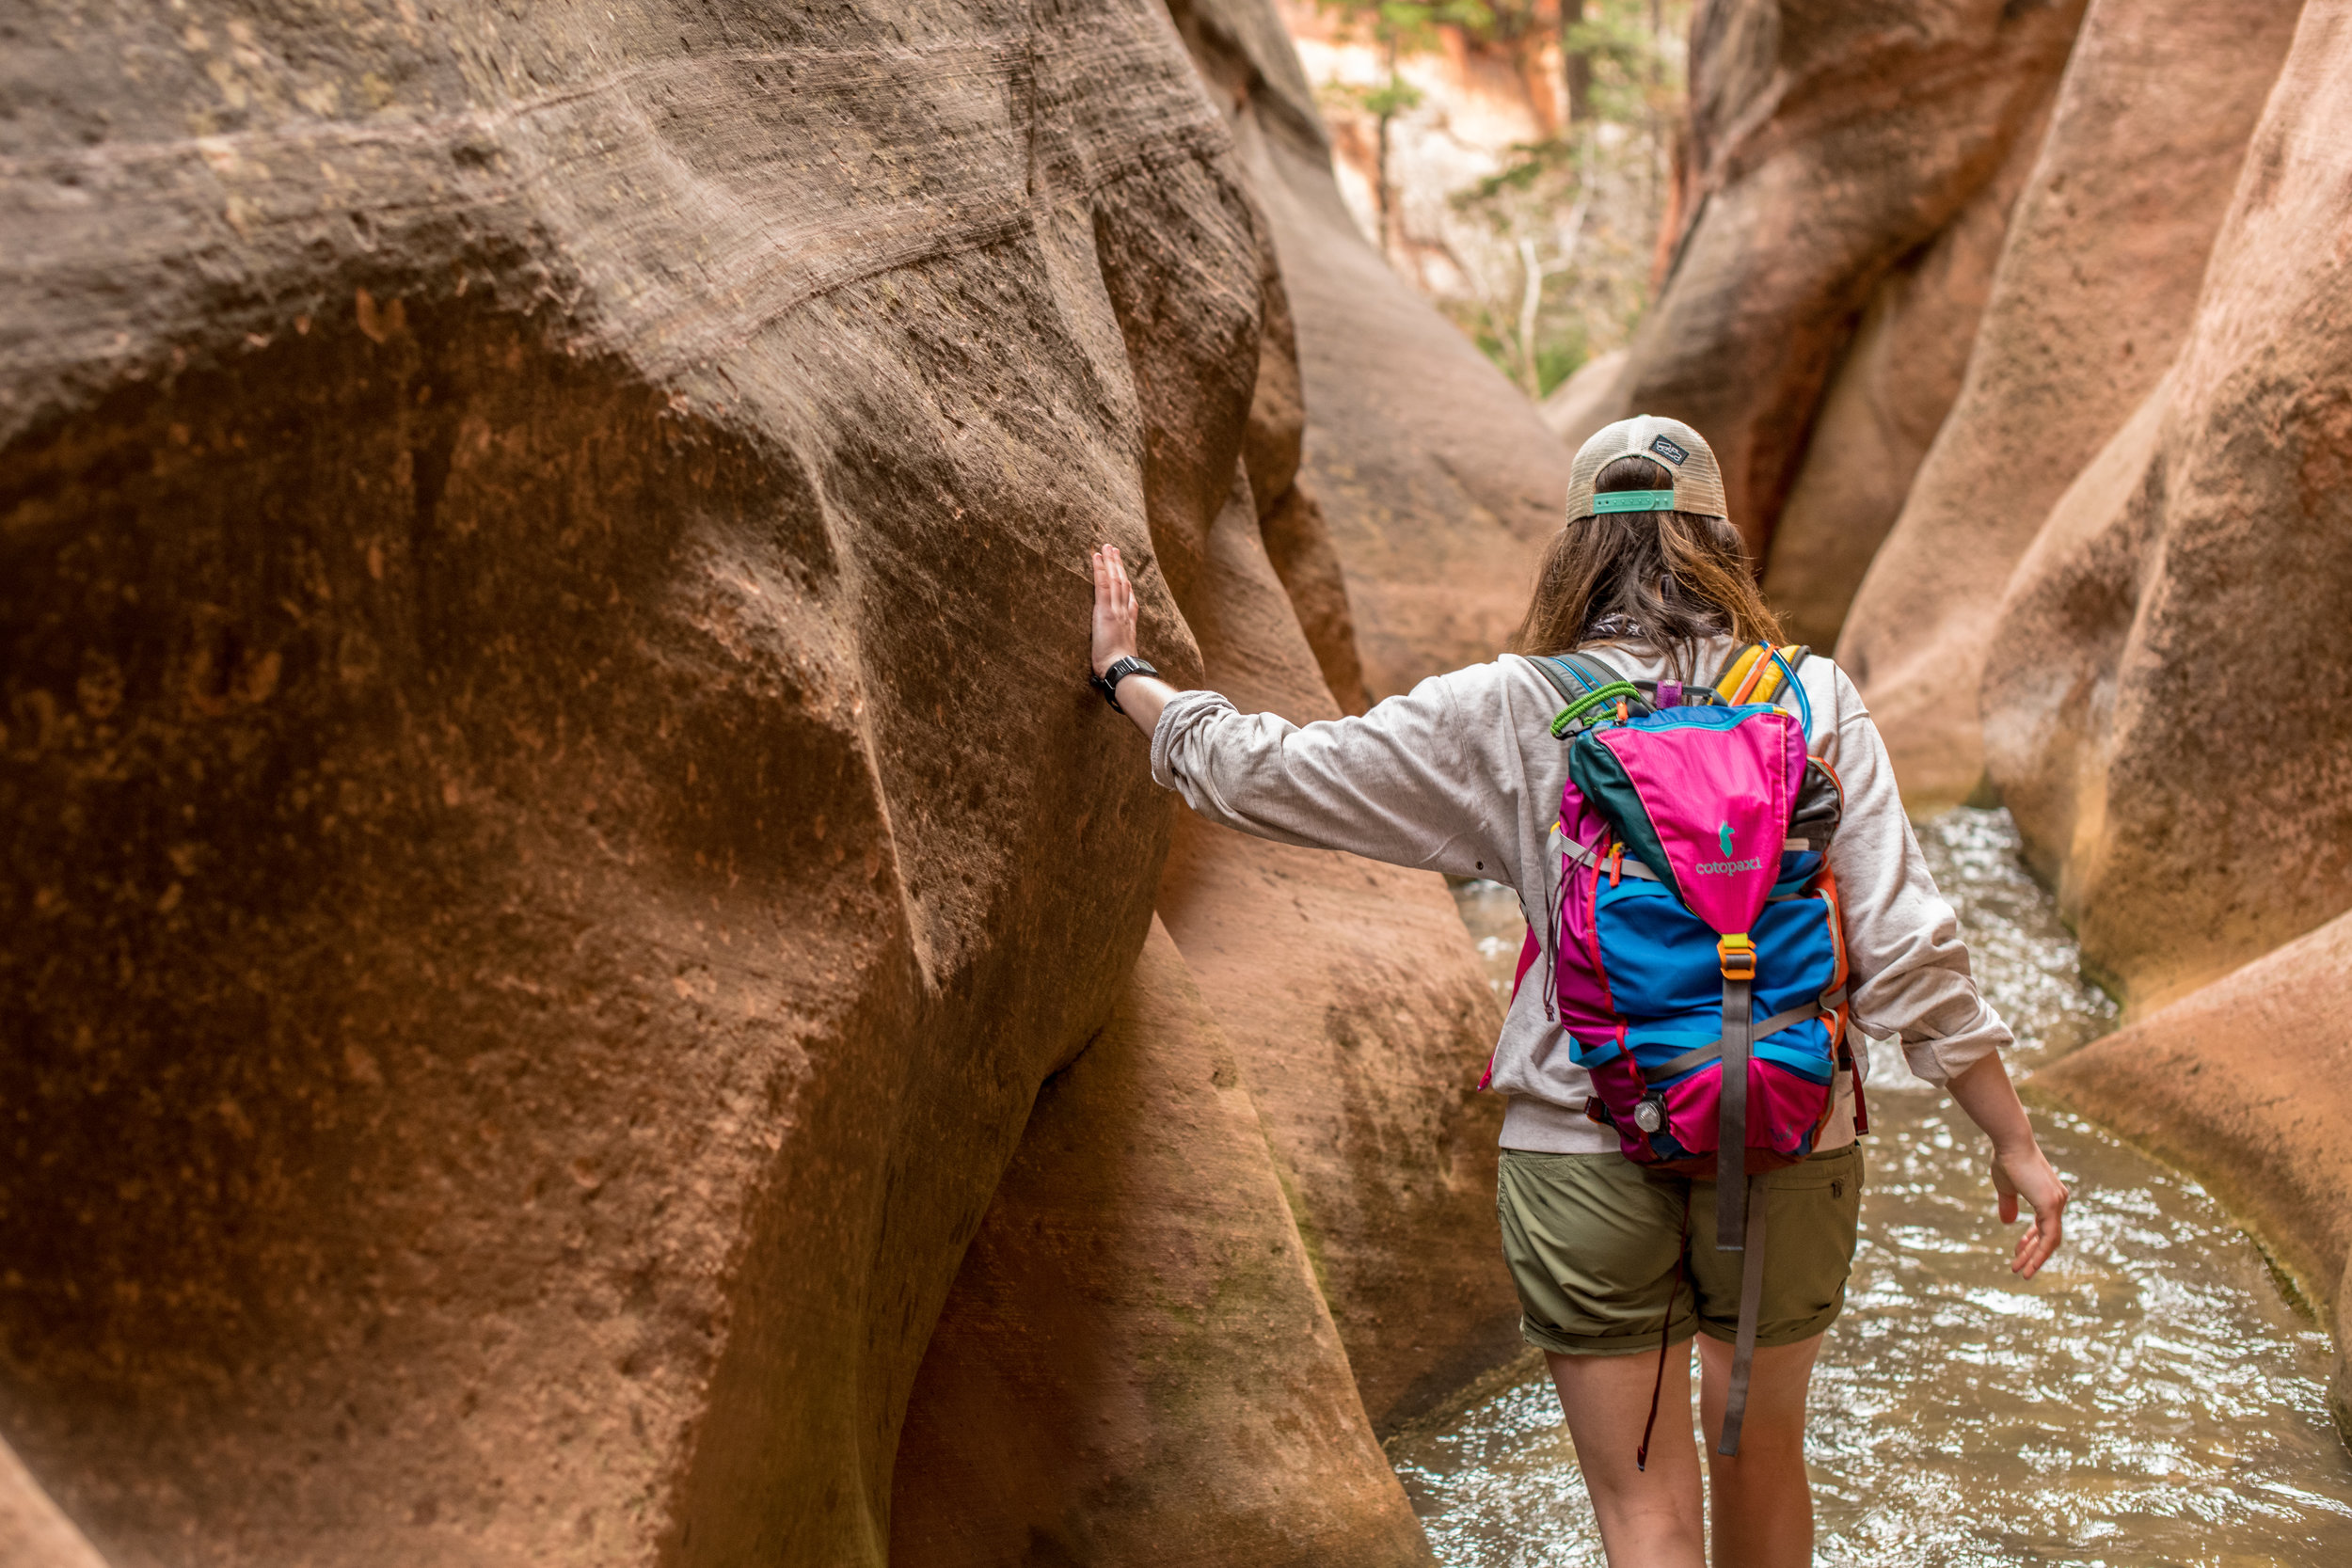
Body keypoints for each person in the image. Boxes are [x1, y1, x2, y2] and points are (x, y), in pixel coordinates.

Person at [1083, 416, 2069, 1568]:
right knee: (1761, 1452)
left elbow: (1276, 773)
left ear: (1573, 555)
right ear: (1718, 544)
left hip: (1581, 1137)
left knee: (1643, 1510)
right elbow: (1905, 942)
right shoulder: (1810, 697)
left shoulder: (1512, 702)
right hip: (1792, 1135)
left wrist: (1130, 678)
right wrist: (2009, 1136)